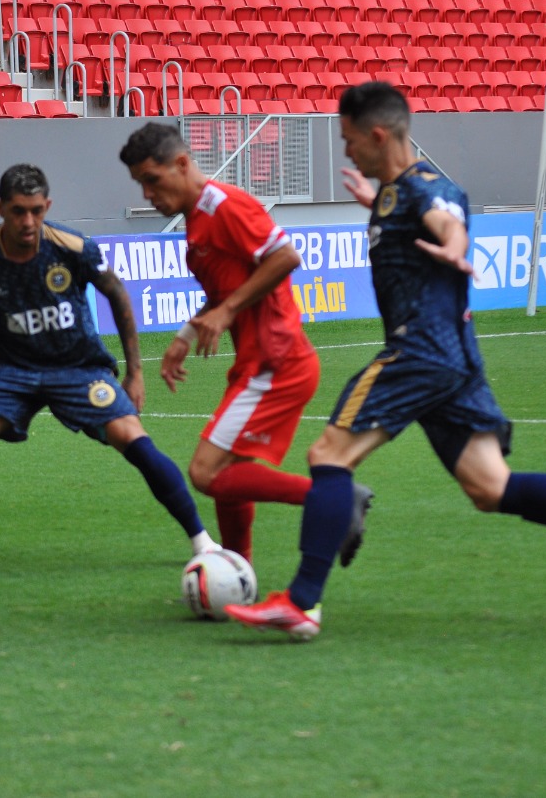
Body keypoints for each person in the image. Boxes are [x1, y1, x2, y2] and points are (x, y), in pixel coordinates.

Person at [225, 82, 546, 639]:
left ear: (378, 135)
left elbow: (448, 222)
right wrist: (381, 209)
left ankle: (302, 602)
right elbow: (420, 216)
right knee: (490, 488)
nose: (346, 153)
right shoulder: (395, 193)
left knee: (328, 456)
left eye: (348, 140)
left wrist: (457, 246)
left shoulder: (427, 188)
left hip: (419, 351)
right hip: (454, 359)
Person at [0, 163, 219, 582]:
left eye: (36, 210)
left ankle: (203, 544)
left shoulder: (72, 246)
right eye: (18, 211)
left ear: (47, 205)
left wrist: (135, 372)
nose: (28, 221)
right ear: (0, 208)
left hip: (79, 370)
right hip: (12, 373)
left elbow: (117, 294)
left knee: (134, 440)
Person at [119, 123, 372, 565]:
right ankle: (239, 571)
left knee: (205, 472)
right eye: (140, 184)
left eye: (151, 180)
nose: (147, 194)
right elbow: (224, 289)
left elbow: (285, 256)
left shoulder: (224, 207)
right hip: (261, 363)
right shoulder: (199, 221)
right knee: (226, 473)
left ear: (181, 164)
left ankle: (333, 497)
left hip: (278, 362)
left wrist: (227, 311)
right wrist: (187, 334)